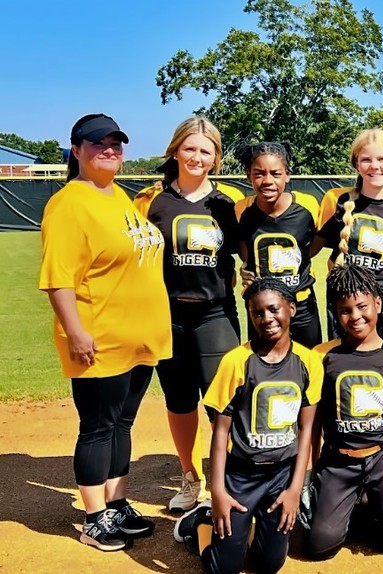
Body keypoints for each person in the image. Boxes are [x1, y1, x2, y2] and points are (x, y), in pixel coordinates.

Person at [39, 114, 171, 551]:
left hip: (139, 336)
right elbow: (58, 280)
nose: (109, 149)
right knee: (98, 426)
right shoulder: (69, 204)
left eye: (116, 142)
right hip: (99, 336)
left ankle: (116, 503)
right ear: (77, 150)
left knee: (122, 422)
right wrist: (75, 332)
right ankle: (94, 518)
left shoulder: (120, 197)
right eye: (98, 143)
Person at [173, 278, 322, 574]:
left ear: (291, 309)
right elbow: (221, 431)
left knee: (269, 564)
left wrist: (296, 488)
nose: (267, 318)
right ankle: (200, 523)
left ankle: (246, 533)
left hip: (281, 476)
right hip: (241, 475)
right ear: (250, 316)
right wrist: (218, 491)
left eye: (274, 309)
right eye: (257, 313)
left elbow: (306, 430)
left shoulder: (308, 362)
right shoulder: (237, 362)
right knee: (223, 569)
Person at [134, 116, 245, 512]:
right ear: (176, 150)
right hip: (169, 315)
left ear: (216, 158)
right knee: (179, 400)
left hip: (215, 313)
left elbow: (246, 253)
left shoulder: (229, 201)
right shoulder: (149, 200)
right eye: (190, 148)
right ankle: (189, 476)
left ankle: (225, 478)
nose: (197, 157)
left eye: (206, 151)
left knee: (223, 401)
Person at [305, 265, 383, 558]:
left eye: (362, 306)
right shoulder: (321, 356)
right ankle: (350, 505)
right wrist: (306, 478)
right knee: (320, 545)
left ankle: (368, 501)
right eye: (345, 311)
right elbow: (310, 425)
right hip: (338, 459)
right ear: (335, 313)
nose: (355, 316)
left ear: (377, 304)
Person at [316, 129, 383, 342]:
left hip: (382, 298)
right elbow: (309, 249)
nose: (374, 166)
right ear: (356, 164)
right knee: (339, 358)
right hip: (342, 298)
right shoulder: (337, 200)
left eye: (382, 159)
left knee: (382, 359)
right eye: (366, 160)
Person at [235, 142, 323, 348]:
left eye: (275, 173)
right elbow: (244, 248)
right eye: (259, 174)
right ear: (248, 176)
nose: (267, 181)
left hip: (301, 303)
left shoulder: (308, 205)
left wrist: (299, 258)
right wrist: (247, 267)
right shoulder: (241, 209)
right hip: (262, 306)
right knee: (263, 363)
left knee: (309, 359)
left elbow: (316, 243)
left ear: (287, 175)